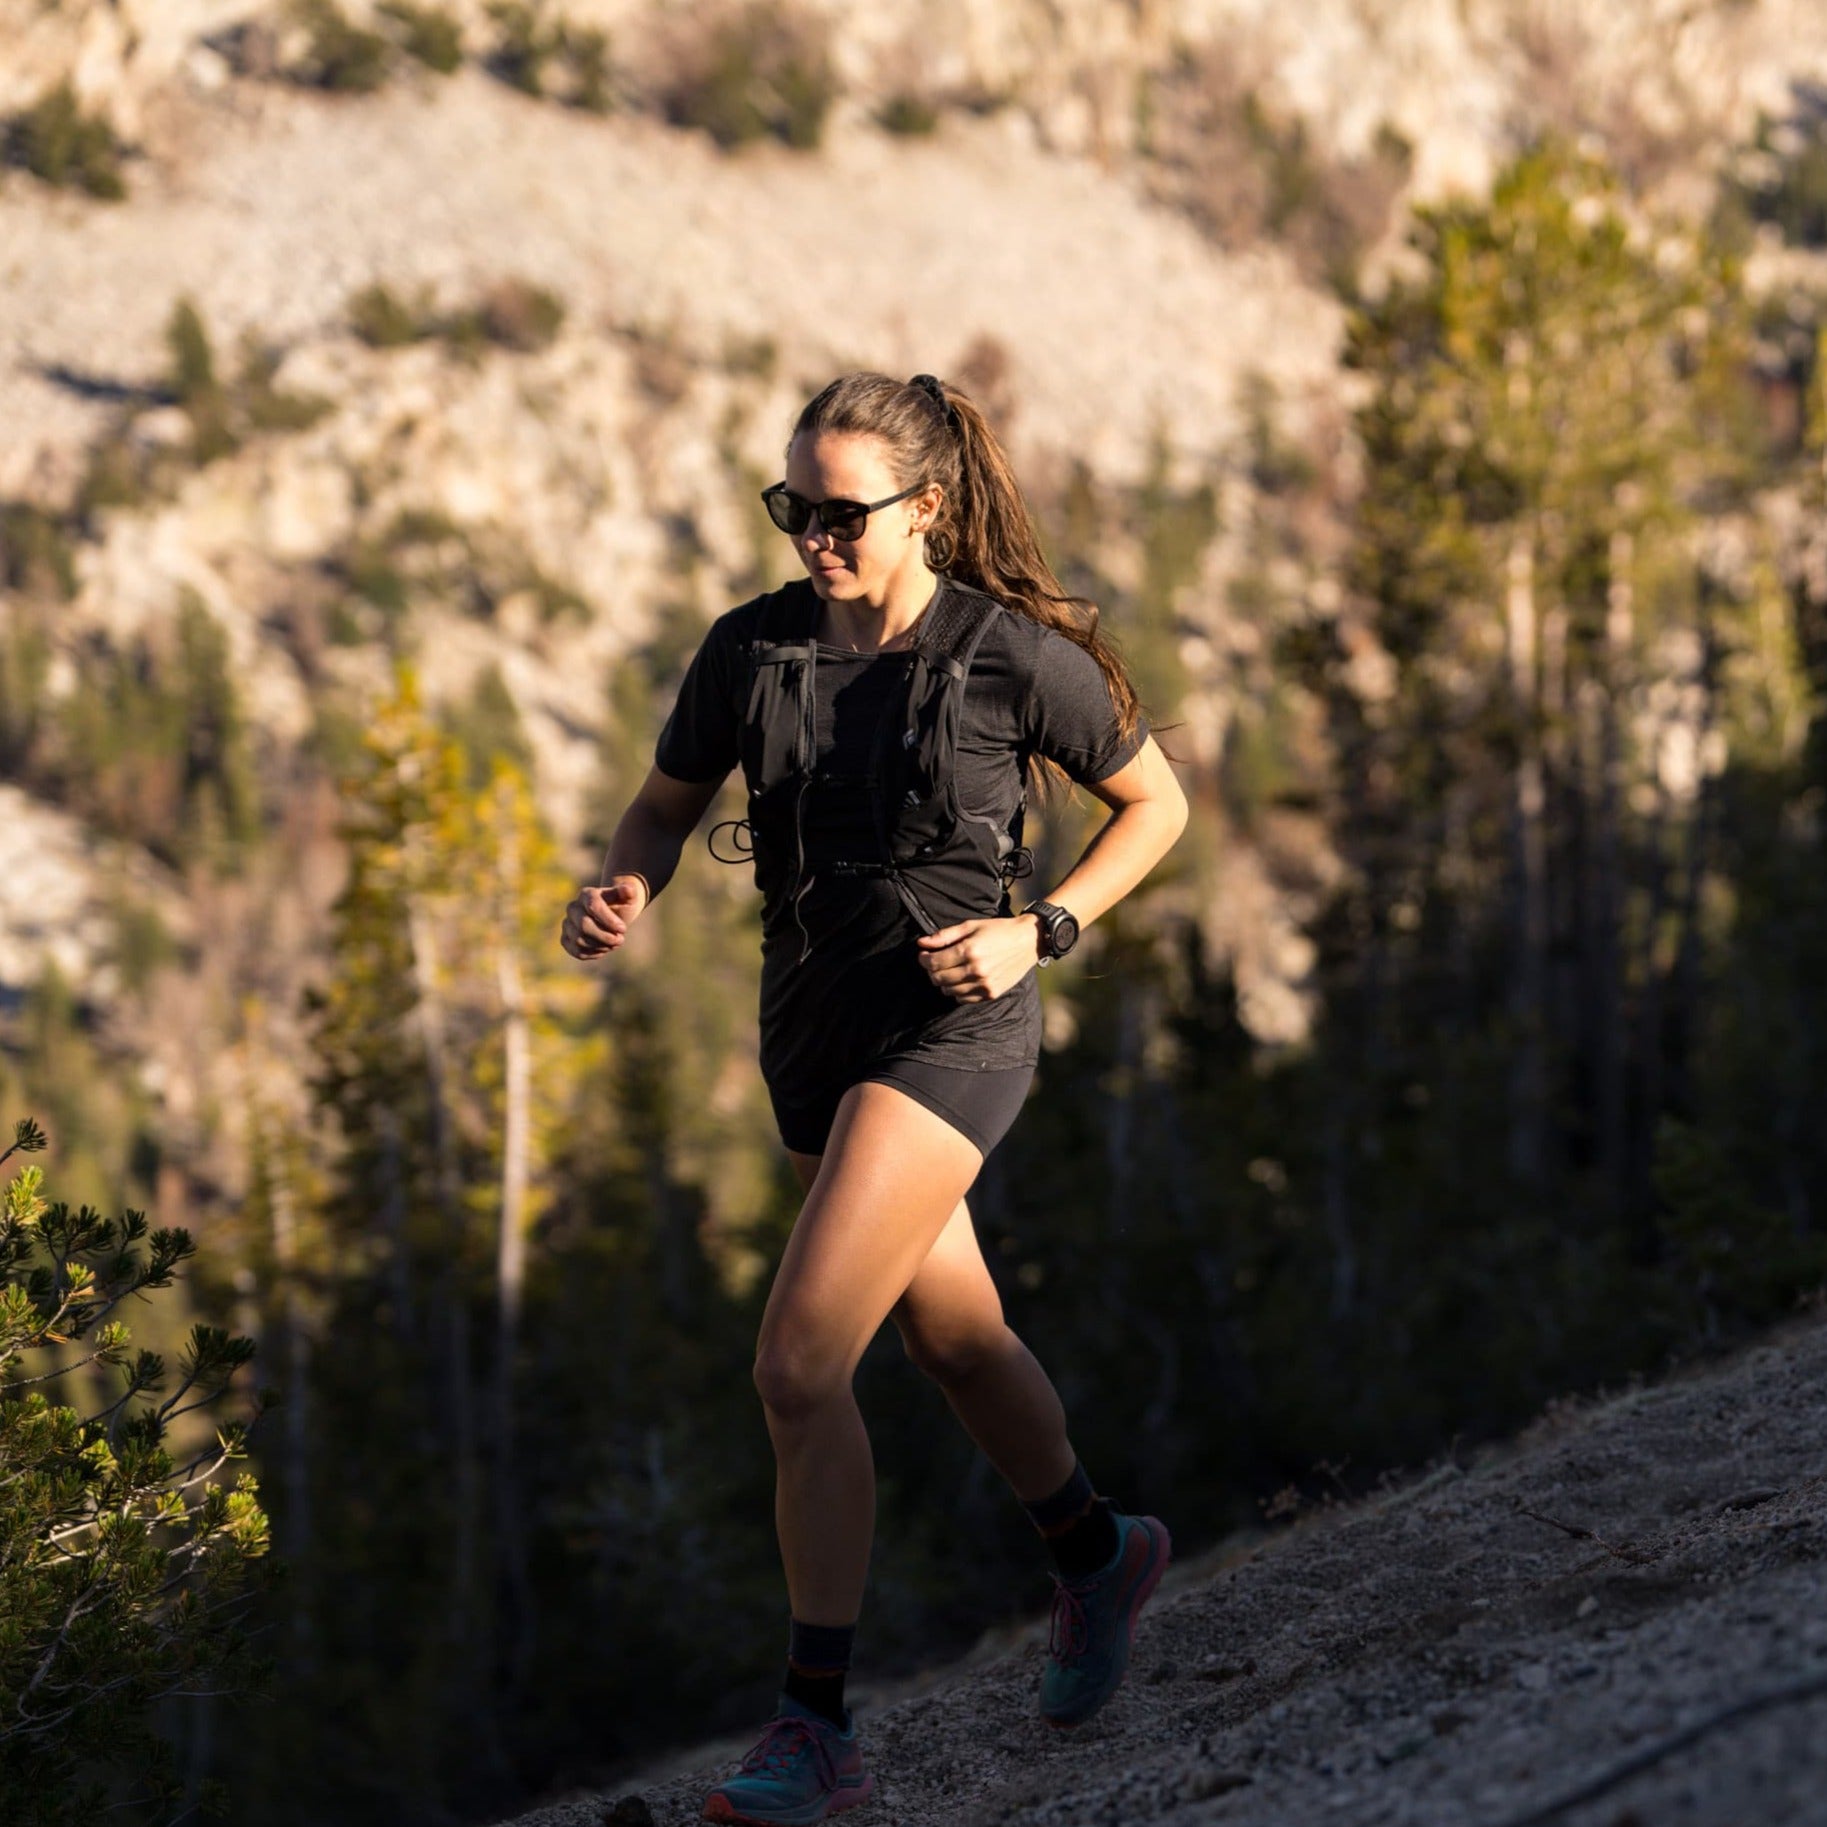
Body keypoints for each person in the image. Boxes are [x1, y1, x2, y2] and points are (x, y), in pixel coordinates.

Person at [560, 371, 1188, 1825]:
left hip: (956, 1027)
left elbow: (1156, 805)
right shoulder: (751, 649)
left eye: (842, 514)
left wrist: (1047, 928)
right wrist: (623, 886)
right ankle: (1099, 1555)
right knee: (954, 1339)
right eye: (795, 510)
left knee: (797, 1365)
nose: (814, 539)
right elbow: (664, 801)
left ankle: (814, 1727)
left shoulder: (1013, 657)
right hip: (813, 1025)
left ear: (928, 507)